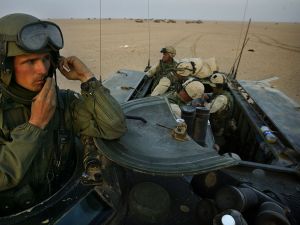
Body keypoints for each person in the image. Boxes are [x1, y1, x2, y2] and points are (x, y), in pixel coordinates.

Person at [0, 13, 126, 214]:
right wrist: (35, 127)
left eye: (46, 59)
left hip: (60, 205)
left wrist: (87, 79)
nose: (42, 69)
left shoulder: (62, 102)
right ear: (5, 67)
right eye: (30, 61)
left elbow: (113, 126)